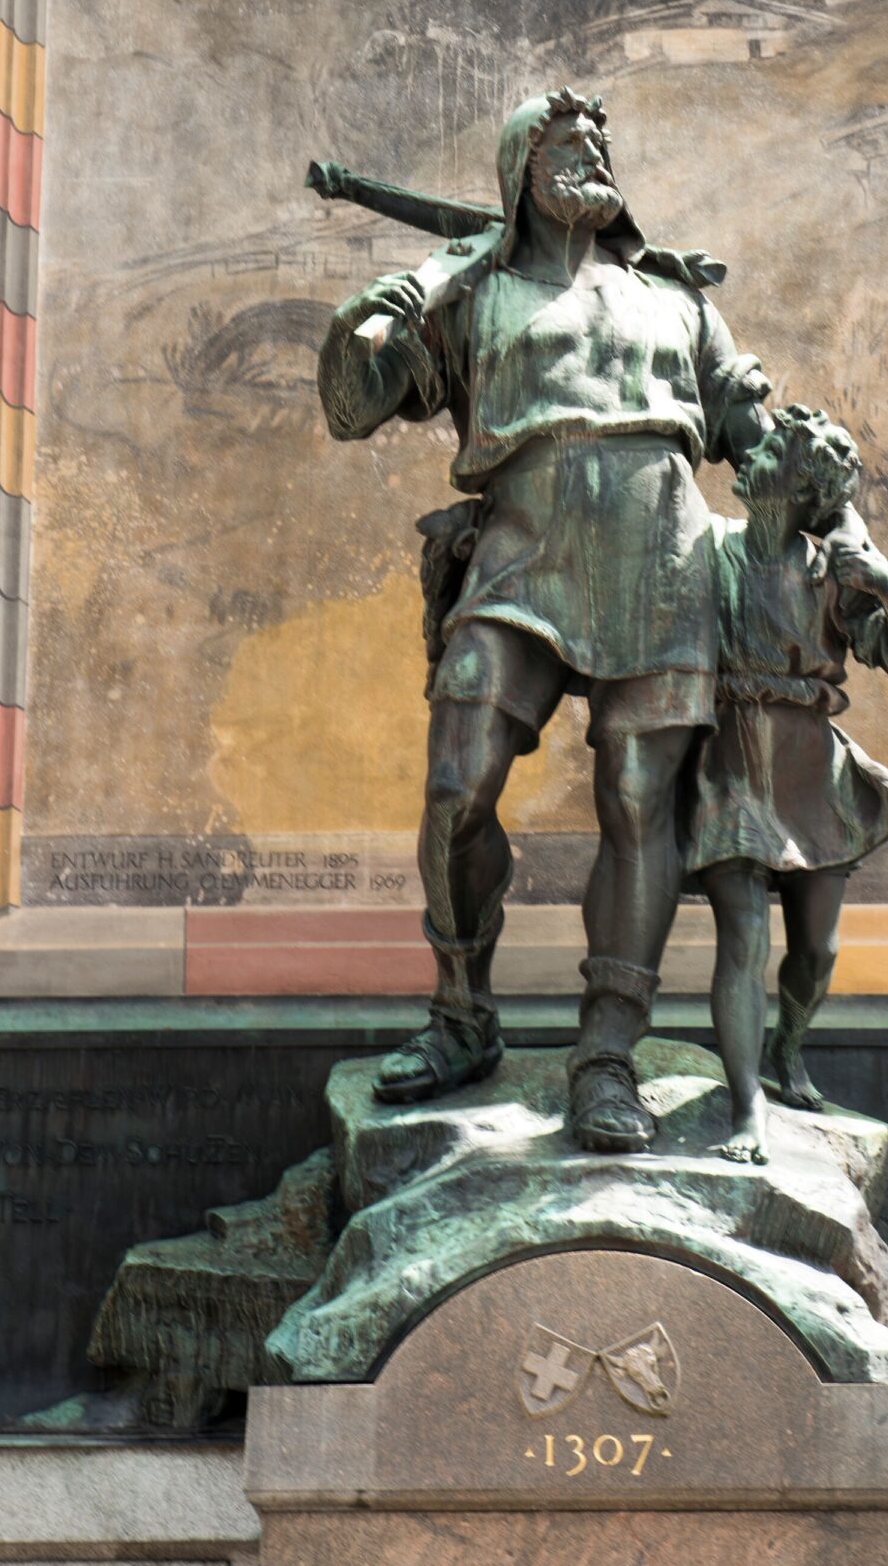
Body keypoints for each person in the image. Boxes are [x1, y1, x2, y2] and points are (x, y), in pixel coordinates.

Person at [318, 89, 770, 1153]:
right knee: (455, 787)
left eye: (599, 143)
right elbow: (353, 408)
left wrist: (819, 503)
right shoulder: (472, 295)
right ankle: (462, 1015)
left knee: (634, 799)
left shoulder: (677, 299)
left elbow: (751, 421)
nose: (588, 157)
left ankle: (607, 1057)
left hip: (662, 554)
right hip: (520, 550)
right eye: (564, 144)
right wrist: (378, 308)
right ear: (519, 166)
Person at [684, 404, 888, 1163]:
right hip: (731, 762)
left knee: (817, 952)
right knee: (743, 939)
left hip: (811, 767)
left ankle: (787, 1046)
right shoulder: (708, 549)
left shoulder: (833, 569)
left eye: (765, 455)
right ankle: (746, 1107)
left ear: (795, 485)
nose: (745, 459)